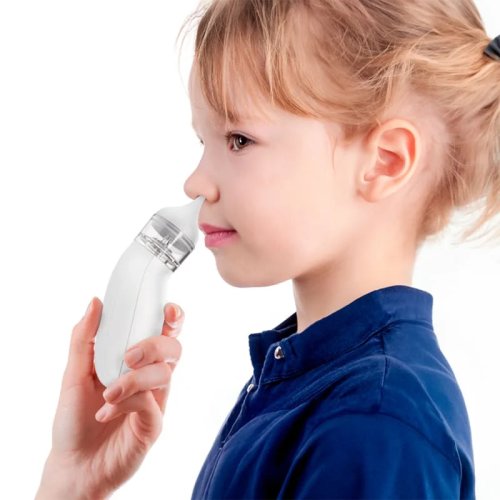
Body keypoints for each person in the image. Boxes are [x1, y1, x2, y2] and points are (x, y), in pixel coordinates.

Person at [36, 0, 500, 498]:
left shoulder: (374, 426)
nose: (196, 183)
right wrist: (73, 481)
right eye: (204, 141)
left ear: (385, 161)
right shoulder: (310, 387)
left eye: (239, 140)